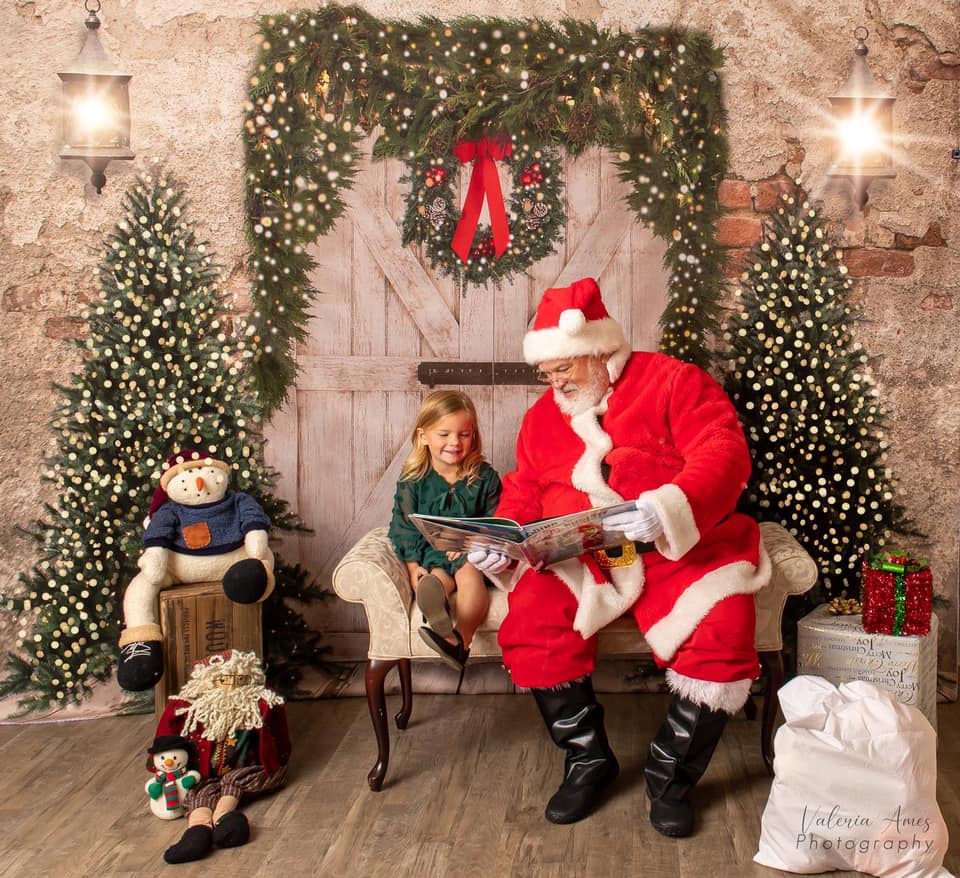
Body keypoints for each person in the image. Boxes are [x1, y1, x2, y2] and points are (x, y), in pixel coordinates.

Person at [467, 277, 770, 837]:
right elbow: (524, 488)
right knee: (532, 615)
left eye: (566, 371)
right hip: (584, 553)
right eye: (548, 373)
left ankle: (670, 775)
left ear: (602, 352)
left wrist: (667, 508)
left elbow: (723, 450)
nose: (555, 384)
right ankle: (588, 760)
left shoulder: (675, 382)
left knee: (723, 621)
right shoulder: (542, 418)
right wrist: (500, 543)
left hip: (671, 544)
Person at [388, 390, 502, 671]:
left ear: (473, 435)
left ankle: (461, 637)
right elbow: (403, 525)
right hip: (432, 553)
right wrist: (414, 568)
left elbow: (497, 518)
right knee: (436, 576)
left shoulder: (485, 477)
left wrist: (473, 541)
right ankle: (436, 606)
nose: (455, 442)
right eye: (444, 434)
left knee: (468, 571)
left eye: (464, 434)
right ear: (423, 436)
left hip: (472, 551)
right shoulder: (412, 480)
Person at [154, 650, 291, 864]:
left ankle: (225, 817)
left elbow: (280, 735)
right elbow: (166, 734)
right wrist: (161, 770)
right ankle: (197, 831)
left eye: (239, 680)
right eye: (223, 679)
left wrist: (281, 758)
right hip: (203, 774)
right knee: (200, 790)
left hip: (246, 770)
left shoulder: (260, 704)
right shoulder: (189, 708)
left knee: (234, 782)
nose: (230, 686)